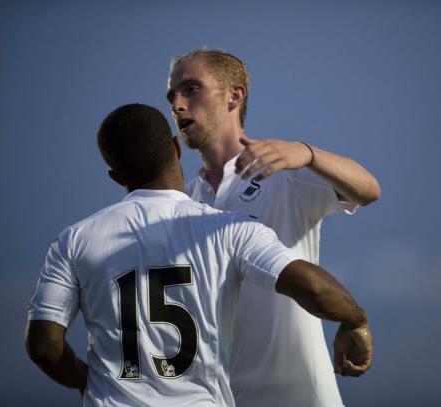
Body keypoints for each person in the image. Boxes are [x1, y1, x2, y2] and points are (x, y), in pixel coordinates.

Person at [24, 103, 373, 406]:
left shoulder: (74, 239)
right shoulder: (230, 230)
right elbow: (315, 289)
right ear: (176, 149)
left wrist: (87, 382)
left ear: (116, 177)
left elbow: (44, 345)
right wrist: (355, 320)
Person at [167, 49, 380, 406]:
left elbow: (369, 190)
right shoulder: (184, 200)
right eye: (172, 95)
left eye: (191, 89)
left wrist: (308, 153)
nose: (177, 105)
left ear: (234, 95)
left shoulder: (286, 173)